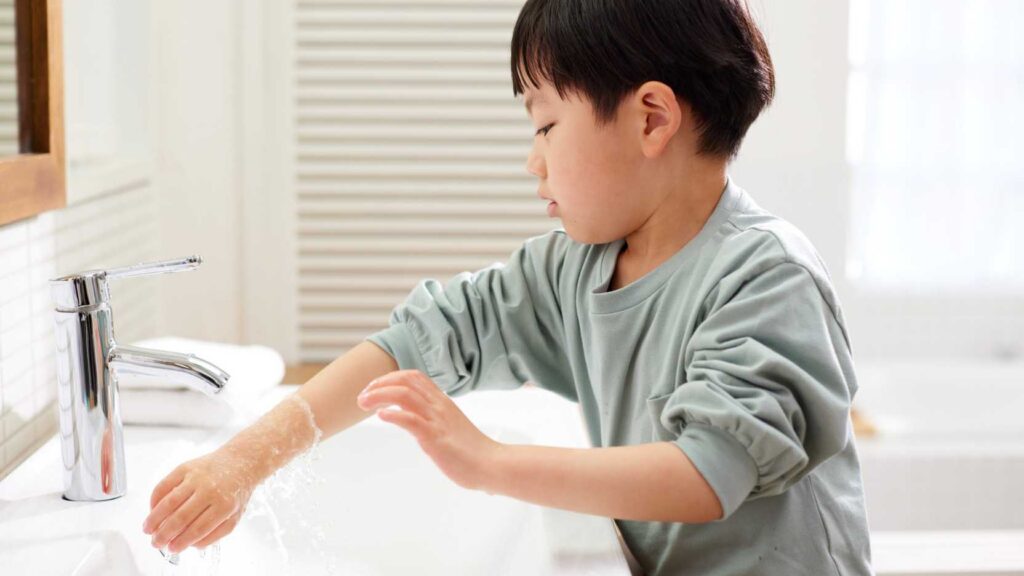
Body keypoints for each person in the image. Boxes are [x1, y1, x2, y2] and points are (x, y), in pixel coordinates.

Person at [143, 1, 873, 574]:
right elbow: (417, 342)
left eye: (547, 124)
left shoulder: (764, 275)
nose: (534, 161)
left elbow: (706, 476)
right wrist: (243, 461)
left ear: (651, 118)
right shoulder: (576, 268)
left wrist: (489, 462)